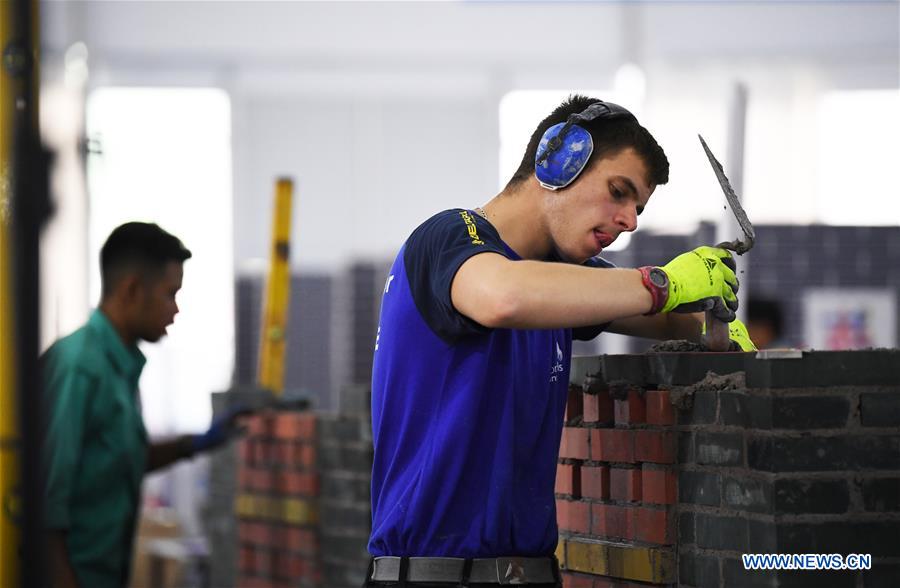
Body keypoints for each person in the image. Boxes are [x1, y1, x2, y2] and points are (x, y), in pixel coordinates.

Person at [365, 95, 755, 587]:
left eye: (637, 208)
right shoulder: (448, 238)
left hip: (531, 573)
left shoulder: (559, 280)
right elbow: (502, 296)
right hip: (431, 575)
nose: (630, 220)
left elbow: (658, 315)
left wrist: (712, 322)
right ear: (559, 158)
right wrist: (663, 284)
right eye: (619, 191)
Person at [42, 222, 246, 588]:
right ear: (132, 290)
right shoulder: (79, 368)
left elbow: (115, 461)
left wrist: (194, 444)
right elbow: (44, 503)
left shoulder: (119, 366)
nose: (176, 309)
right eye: (171, 294)